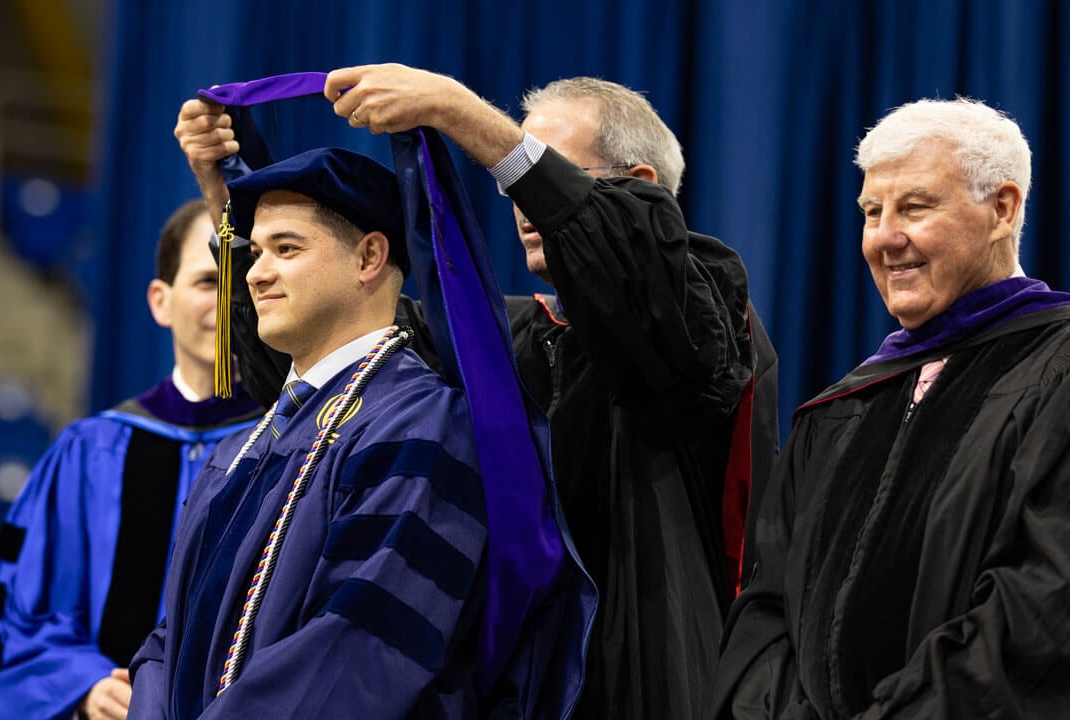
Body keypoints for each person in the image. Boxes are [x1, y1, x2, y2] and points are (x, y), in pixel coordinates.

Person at [323, 64, 779, 719]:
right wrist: (233, 195)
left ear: (638, 190)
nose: (520, 202)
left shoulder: (704, 310)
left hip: (657, 683)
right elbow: (338, 336)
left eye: (538, 170)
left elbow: (631, 272)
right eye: (513, 181)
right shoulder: (508, 335)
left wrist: (461, 114)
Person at [713, 98, 1070, 718]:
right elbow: (765, 610)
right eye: (872, 212)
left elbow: (1042, 609)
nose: (884, 238)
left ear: (1002, 210)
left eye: (916, 207)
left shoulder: (1055, 370)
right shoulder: (843, 405)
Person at [127, 115, 495, 713]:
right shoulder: (242, 446)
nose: (254, 273)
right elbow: (168, 638)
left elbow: (358, 647)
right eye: (255, 252)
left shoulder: (421, 423)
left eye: (287, 249)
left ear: (369, 257)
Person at [0, 199, 263, 720]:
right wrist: (82, 686)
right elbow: (20, 612)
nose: (223, 303)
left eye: (236, 284)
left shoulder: (284, 446)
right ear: (160, 301)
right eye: (204, 283)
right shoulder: (91, 451)